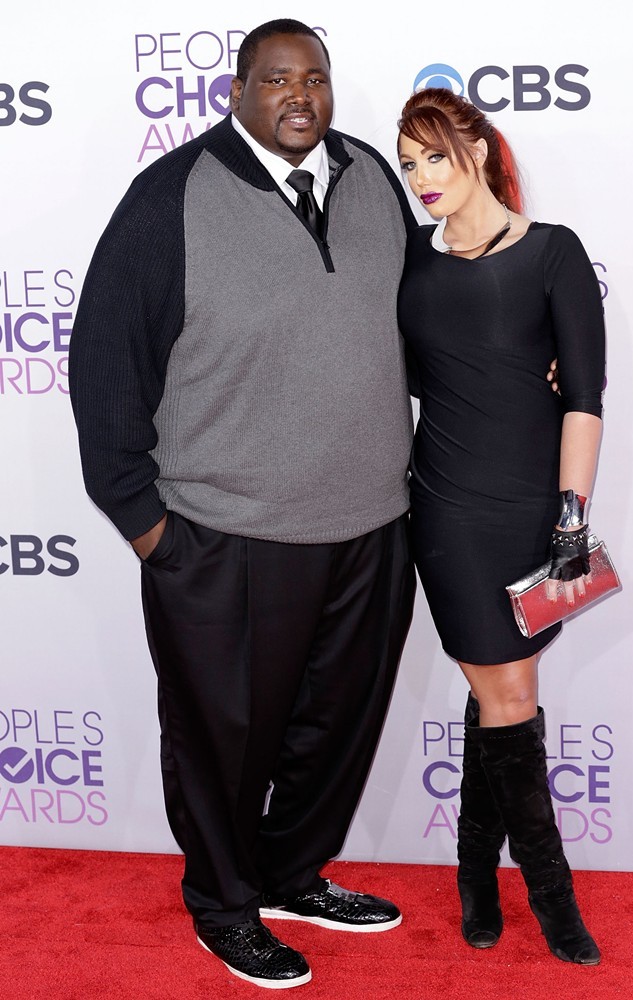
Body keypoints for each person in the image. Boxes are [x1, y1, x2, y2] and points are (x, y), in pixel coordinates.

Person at [69, 19, 419, 990]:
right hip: (221, 537)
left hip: (368, 529)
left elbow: (413, 320)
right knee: (222, 740)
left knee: (333, 727)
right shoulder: (170, 197)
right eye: (276, 79)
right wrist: (145, 521)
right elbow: (104, 361)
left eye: (314, 78)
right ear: (236, 89)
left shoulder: (367, 177)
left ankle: (290, 874)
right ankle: (225, 906)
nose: (299, 97)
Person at [396, 88, 606, 966]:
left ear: (477, 150)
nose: (420, 181)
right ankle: (552, 902)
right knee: (504, 696)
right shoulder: (406, 256)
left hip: (532, 509)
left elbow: (585, 401)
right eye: (408, 166)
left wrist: (570, 518)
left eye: (433, 157)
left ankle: (477, 877)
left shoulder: (553, 253)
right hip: (443, 506)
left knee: (499, 699)